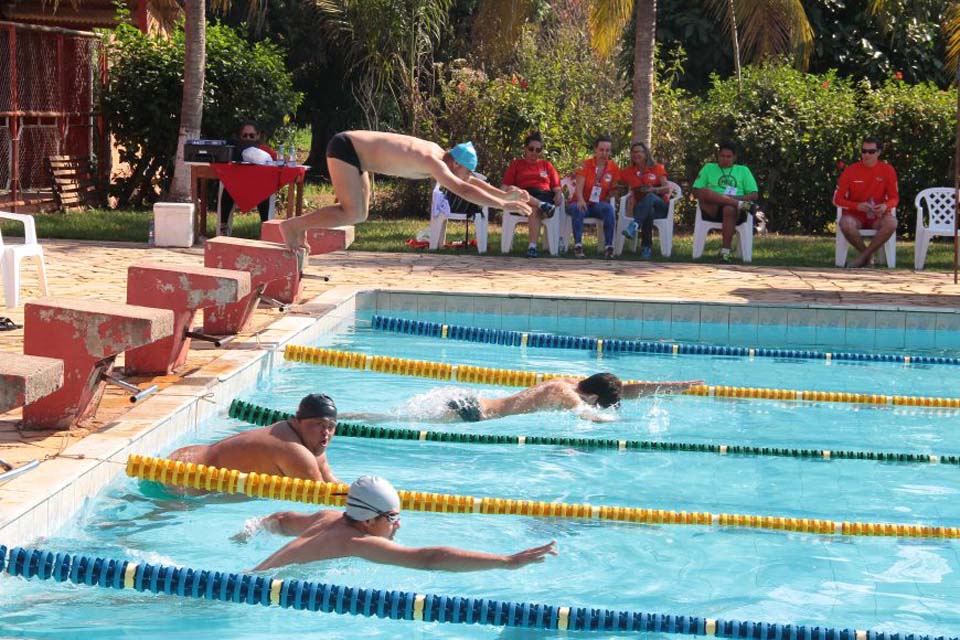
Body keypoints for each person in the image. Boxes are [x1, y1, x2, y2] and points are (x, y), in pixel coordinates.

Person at [278, 132, 534, 252]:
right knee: (352, 212)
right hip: (347, 149)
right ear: (456, 164)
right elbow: (463, 188)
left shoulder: (441, 156)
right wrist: (503, 205)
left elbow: (469, 182)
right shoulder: (434, 161)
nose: (468, 176)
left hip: (356, 154)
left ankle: (299, 226)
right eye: (466, 171)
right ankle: (293, 226)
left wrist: (503, 196)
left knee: (358, 214)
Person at [247, 475, 558, 571]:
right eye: (393, 518)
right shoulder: (356, 542)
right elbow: (430, 558)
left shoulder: (328, 517)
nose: (398, 525)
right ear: (369, 520)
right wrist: (506, 561)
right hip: (255, 592)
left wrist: (247, 531)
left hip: (250, 578)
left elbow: (280, 520)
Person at [341, 373, 703, 424]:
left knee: (390, 416)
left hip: (469, 401)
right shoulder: (566, 394)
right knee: (390, 421)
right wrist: (617, 423)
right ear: (591, 395)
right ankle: (346, 417)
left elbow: (627, 387)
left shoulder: (570, 381)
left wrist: (674, 386)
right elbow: (584, 413)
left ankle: (349, 416)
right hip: (473, 413)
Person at [168, 393, 341, 485]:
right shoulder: (294, 451)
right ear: (296, 422)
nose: (326, 432)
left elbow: (333, 484)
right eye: (319, 424)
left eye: (330, 426)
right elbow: (324, 497)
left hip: (188, 460)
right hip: (186, 474)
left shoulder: (311, 446)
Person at [832, 136, 899, 268]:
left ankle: (863, 258)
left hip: (878, 215)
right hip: (855, 215)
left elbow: (894, 198)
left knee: (892, 223)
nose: (866, 155)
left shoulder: (888, 170)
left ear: (878, 152)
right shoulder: (850, 170)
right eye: (864, 151)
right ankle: (867, 257)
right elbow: (837, 199)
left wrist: (885, 206)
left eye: (871, 152)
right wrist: (857, 206)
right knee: (845, 224)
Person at [691, 141, 759, 264]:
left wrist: (733, 198)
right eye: (722, 156)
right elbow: (695, 192)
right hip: (712, 208)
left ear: (734, 157)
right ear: (718, 156)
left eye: (728, 156)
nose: (725, 159)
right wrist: (727, 199)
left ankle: (725, 252)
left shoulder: (743, 170)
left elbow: (754, 194)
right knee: (705, 191)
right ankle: (739, 204)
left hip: (735, 212)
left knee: (729, 208)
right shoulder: (708, 168)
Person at [501, 131, 563, 258]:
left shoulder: (547, 165)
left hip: (544, 195)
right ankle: (542, 207)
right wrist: (501, 194)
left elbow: (557, 187)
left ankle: (532, 246)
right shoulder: (516, 164)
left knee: (533, 208)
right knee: (523, 198)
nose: (534, 152)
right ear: (525, 148)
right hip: (523, 196)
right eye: (531, 149)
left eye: (538, 150)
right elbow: (504, 187)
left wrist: (558, 194)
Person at [217, 120, 278, 235]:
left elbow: (276, 162)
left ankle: (265, 228)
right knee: (228, 189)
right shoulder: (233, 150)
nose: (248, 138)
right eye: (245, 135)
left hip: (258, 188)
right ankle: (223, 227)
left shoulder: (264, 151)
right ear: (240, 136)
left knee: (264, 191)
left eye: (251, 135)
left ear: (258, 136)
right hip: (238, 188)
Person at [569, 136, 619, 258]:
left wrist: (613, 192)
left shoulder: (613, 167)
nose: (604, 153)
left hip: (598, 204)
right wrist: (581, 200)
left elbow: (615, 188)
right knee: (578, 208)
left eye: (607, 150)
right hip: (581, 201)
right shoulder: (585, 165)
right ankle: (578, 246)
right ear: (595, 150)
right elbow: (578, 188)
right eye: (601, 150)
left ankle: (609, 247)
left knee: (609, 209)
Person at [619, 142, 670, 260]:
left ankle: (635, 226)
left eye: (639, 152)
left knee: (650, 197)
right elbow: (616, 180)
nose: (635, 154)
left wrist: (654, 190)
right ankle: (646, 247)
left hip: (660, 207)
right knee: (649, 212)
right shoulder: (628, 171)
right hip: (641, 208)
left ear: (646, 154)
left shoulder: (657, 168)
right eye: (633, 152)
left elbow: (667, 188)